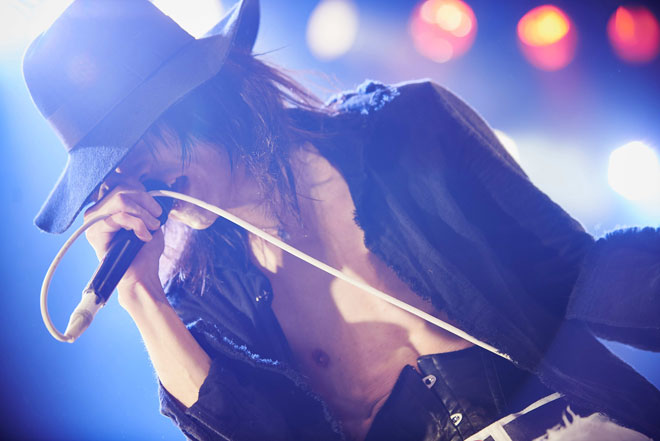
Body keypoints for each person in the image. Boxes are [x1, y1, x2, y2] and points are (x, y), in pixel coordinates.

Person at [23, 0, 660, 440]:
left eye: (139, 142)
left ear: (197, 95)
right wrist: (141, 296)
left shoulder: (405, 130)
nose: (136, 177)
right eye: (115, 167)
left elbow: (581, 272)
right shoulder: (206, 299)